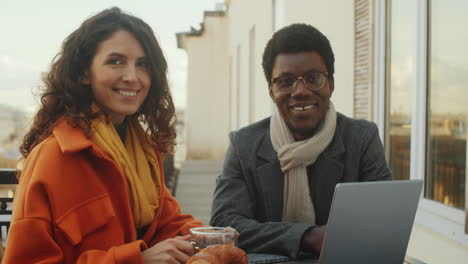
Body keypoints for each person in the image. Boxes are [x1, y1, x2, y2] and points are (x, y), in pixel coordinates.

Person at [3, 7, 203, 264]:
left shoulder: (143, 150)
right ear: (85, 73)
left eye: (143, 64)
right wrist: (136, 260)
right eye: (115, 61)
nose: (132, 77)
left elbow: (167, 223)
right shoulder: (53, 157)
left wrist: (208, 237)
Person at [210, 23, 392, 259]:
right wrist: (308, 236)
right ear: (271, 91)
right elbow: (225, 225)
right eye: (285, 81)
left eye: (313, 78)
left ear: (331, 85)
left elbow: (385, 219)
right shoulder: (243, 146)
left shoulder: (361, 138)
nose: (300, 91)